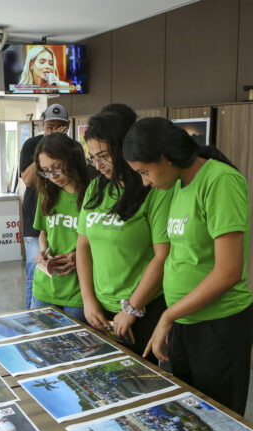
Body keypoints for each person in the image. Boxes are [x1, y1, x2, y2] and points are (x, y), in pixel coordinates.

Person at [123, 117, 253, 431]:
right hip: (186, 322)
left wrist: (166, 316)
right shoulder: (178, 185)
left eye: (145, 172)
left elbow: (228, 272)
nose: (144, 182)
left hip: (220, 327)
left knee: (222, 421)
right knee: (190, 418)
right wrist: (172, 317)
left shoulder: (220, 181)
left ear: (165, 157)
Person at [76, 110, 171, 364]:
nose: (98, 165)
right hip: (100, 309)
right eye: (93, 157)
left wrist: (132, 308)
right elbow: (83, 245)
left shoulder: (153, 189)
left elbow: (163, 256)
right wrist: (88, 301)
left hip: (142, 309)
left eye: (105, 156)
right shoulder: (96, 188)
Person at [30, 132, 90, 322]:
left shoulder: (93, 194)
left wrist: (79, 257)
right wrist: (42, 252)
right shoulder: (48, 193)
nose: (52, 176)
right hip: (44, 287)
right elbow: (43, 233)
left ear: (71, 159)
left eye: (57, 167)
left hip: (78, 291)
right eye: (46, 171)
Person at [19, 104, 70, 308]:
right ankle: (30, 318)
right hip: (36, 221)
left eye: (59, 127)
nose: (53, 131)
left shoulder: (70, 149)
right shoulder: (32, 145)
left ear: (66, 127)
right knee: (35, 270)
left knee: (59, 272)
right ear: (42, 125)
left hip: (63, 221)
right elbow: (29, 179)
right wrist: (46, 145)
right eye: (50, 127)